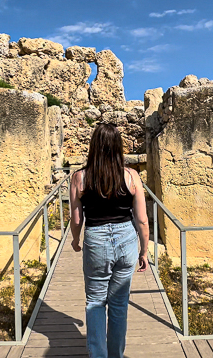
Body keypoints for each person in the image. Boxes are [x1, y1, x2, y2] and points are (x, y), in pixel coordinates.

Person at [69, 123, 150, 358]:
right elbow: (142, 220)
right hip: (126, 237)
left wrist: (76, 240)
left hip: (96, 238)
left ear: (94, 146)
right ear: (118, 147)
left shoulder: (79, 177)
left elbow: (76, 219)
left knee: (95, 301)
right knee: (118, 303)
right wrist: (144, 251)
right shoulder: (132, 176)